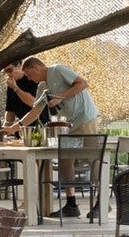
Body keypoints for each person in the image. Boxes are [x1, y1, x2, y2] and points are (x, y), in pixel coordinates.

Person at [17, 55, 102, 216]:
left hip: (85, 119)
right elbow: (35, 111)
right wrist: (15, 127)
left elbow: (83, 83)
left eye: (29, 74)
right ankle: (71, 205)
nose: (29, 78)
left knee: (92, 159)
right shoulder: (43, 86)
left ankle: (101, 202)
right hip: (68, 125)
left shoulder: (58, 70)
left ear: (36, 68)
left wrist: (61, 97)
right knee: (65, 159)